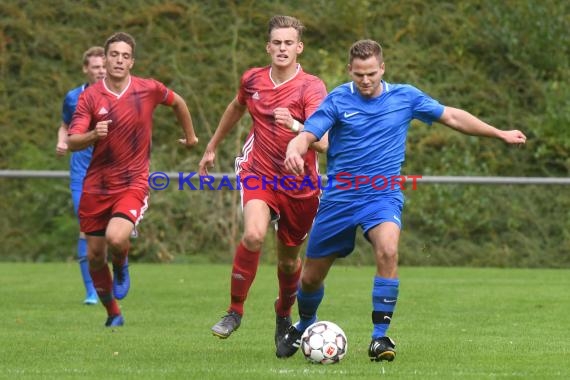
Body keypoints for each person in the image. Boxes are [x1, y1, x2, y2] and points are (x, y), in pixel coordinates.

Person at [276, 39, 527, 361]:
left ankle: (380, 338)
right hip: (340, 198)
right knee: (310, 278)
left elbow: (451, 116)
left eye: (371, 74)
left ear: (382, 68)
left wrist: (500, 133)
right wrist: (293, 149)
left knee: (389, 249)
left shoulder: (405, 97)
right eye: (358, 75)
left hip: (382, 195)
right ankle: (306, 324)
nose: (365, 81)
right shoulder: (338, 99)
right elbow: (308, 135)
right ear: (349, 71)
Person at [198, 15, 328, 346]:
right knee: (254, 235)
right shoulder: (252, 80)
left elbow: (324, 142)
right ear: (267, 46)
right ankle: (234, 311)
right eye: (277, 43)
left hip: (300, 185)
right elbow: (236, 107)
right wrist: (211, 146)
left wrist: (297, 126)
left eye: (289, 43)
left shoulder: (311, 87)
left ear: (299, 47)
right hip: (258, 173)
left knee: (288, 262)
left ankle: (283, 316)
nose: (282, 48)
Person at [68, 32, 198, 327]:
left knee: (116, 237)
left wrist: (190, 137)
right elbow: (74, 139)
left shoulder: (148, 89)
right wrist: (92, 135)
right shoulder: (89, 96)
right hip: (96, 185)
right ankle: (113, 313)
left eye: (125, 56)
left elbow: (178, 103)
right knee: (95, 256)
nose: (119, 60)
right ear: (106, 58)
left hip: (133, 182)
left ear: (132, 62)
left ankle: (122, 263)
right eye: (114, 55)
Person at [55, 46, 106, 305]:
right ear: (86, 69)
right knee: (87, 230)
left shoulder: (121, 95)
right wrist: (62, 142)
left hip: (112, 175)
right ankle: (91, 291)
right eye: (95, 67)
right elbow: (64, 126)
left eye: (103, 66)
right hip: (82, 175)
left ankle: (116, 275)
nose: (100, 71)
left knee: (113, 232)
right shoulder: (73, 98)